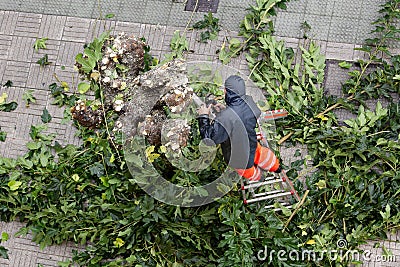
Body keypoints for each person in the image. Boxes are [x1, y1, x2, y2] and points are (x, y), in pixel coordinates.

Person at [197, 75, 281, 181]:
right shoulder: (249, 101)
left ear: (225, 91)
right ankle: (277, 167)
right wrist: (225, 110)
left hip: (238, 157)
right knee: (263, 156)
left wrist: (203, 116)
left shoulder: (226, 118)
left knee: (248, 171)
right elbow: (240, 116)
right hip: (252, 144)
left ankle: (260, 178)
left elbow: (210, 139)